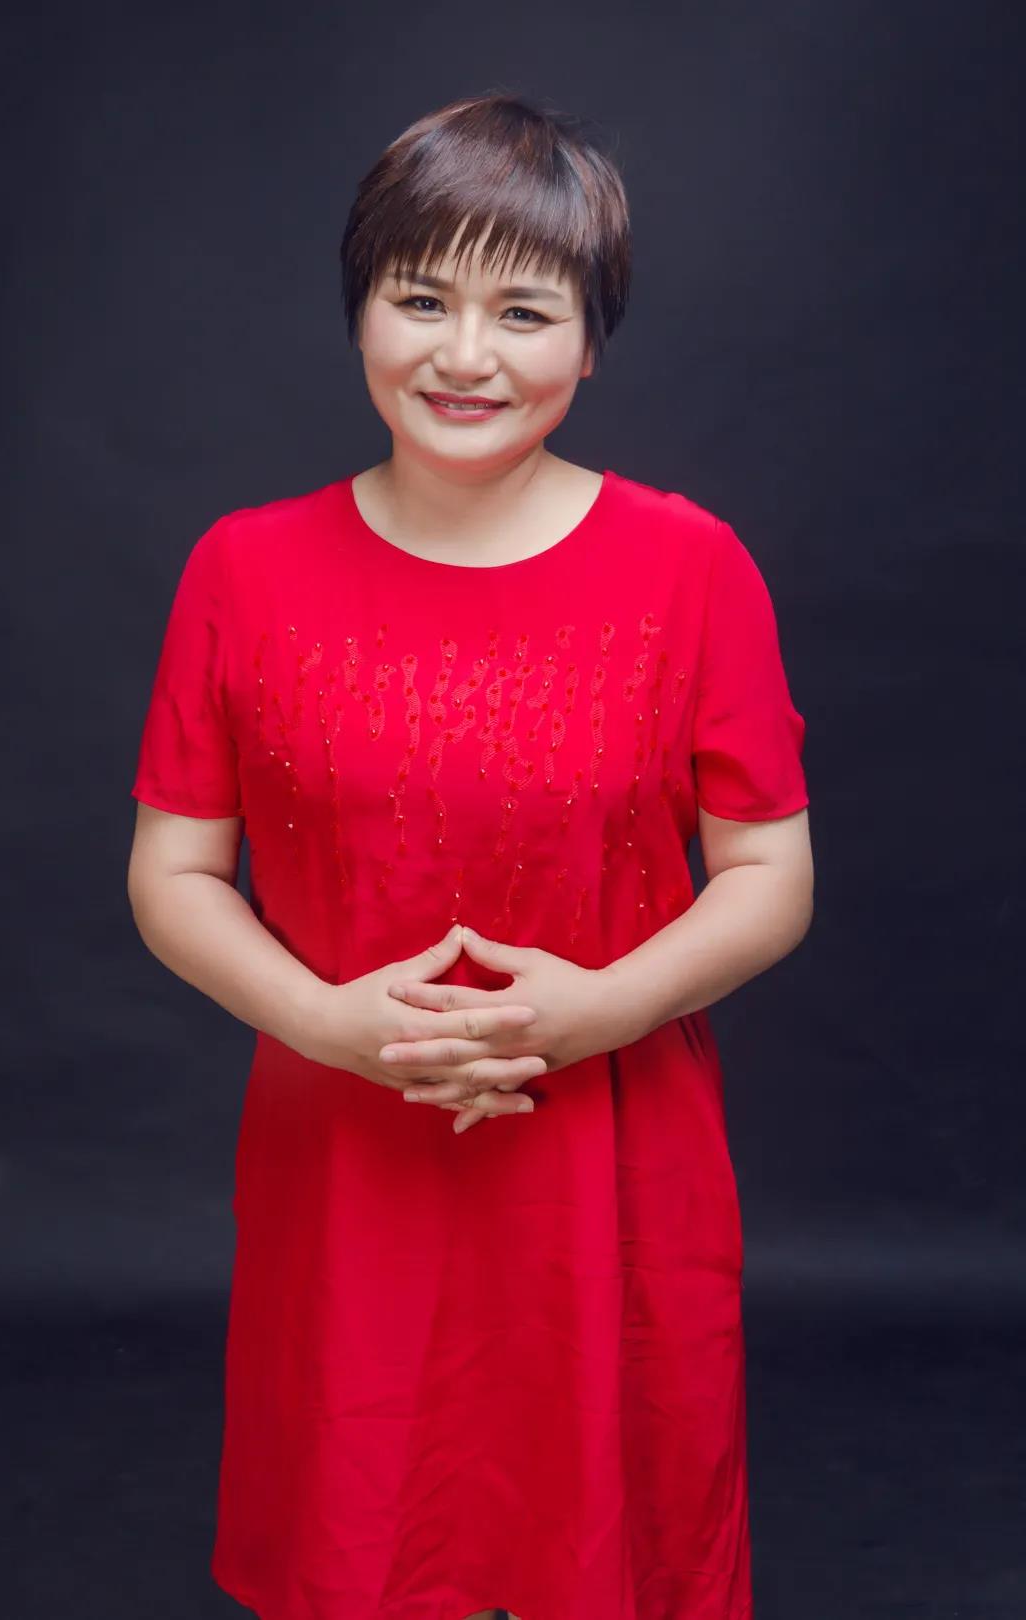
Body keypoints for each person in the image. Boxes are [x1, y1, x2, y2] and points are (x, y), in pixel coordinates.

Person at [127, 90, 814, 1620]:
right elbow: (171, 874)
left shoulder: (691, 567)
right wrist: (326, 1022)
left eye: (524, 312)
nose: (466, 355)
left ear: (591, 342)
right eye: (421, 298)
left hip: (608, 1155)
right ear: (359, 308)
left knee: (607, 1533)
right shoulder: (242, 567)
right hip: (343, 1149)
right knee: (367, 1521)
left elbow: (773, 875)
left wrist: (597, 1009)